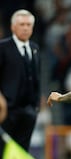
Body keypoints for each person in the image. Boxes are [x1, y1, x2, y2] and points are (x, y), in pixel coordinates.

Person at [0, 9, 41, 151]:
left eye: (28, 24)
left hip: (28, 111)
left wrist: (35, 107)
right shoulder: (2, 47)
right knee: (3, 151)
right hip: (7, 111)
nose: (25, 28)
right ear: (12, 27)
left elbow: (36, 78)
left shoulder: (34, 48)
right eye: (22, 24)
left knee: (22, 153)